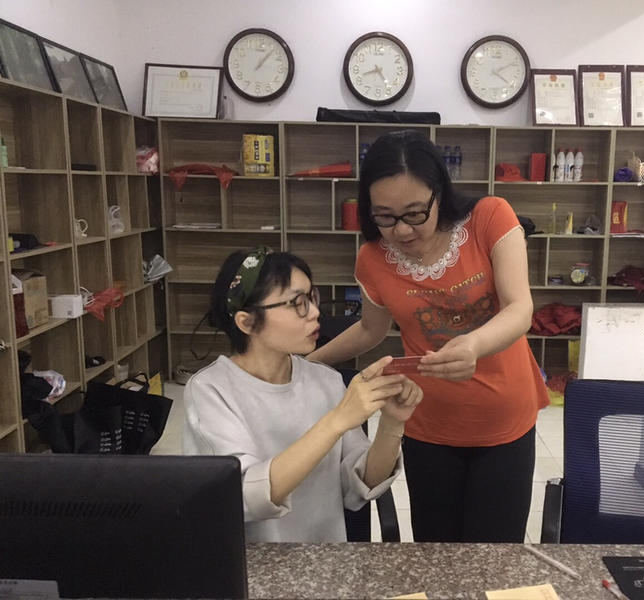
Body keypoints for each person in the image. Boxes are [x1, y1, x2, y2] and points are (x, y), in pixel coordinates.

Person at [308, 130, 550, 543]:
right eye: (385, 217)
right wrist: (307, 364)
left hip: (503, 417)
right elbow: (370, 329)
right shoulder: (372, 258)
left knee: (495, 555)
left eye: (415, 213)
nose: (402, 230)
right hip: (428, 423)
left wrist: (473, 344)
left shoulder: (489, 217)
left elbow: (519, 309)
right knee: (435, 551)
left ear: (440, 194)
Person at [183, 247, 422, 542]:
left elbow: (361, 483)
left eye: (312, 297)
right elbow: (246, 496)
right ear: (247, 322)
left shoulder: (326, 381)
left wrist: (391, 424)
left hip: (325, 559)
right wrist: (336, 421)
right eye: (297, 303)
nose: (315, 312)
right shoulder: (211, 390)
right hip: (249, 564)